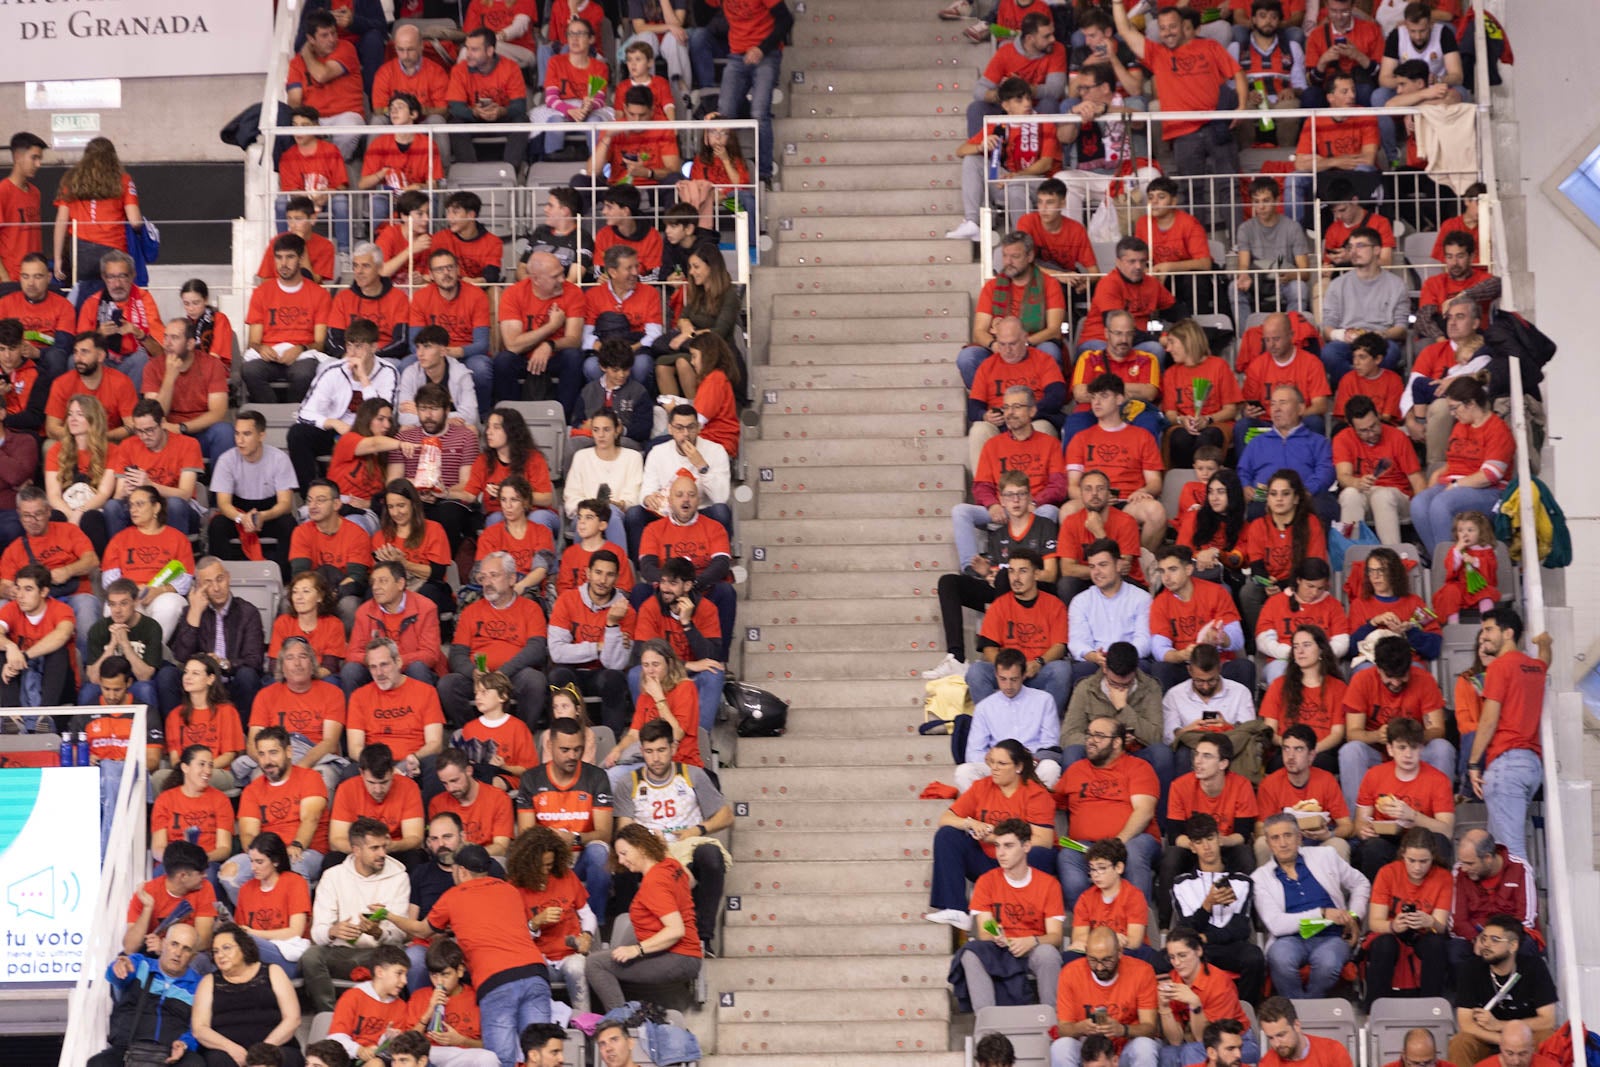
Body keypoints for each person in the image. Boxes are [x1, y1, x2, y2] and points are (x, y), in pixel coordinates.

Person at [1111, 1, 1244, 230]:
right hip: (1184, 133)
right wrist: (1116, 2)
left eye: (1172, 26)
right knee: (1191, 193)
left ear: (1183, 26)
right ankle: (1198, 251)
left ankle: (1237, 249)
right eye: (1162, 28)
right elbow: (1124, 30)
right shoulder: (1157, 53)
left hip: (1217, 125)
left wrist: (1242, 107)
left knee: (1229, 187)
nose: (1167, 32)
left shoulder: (1210, 46)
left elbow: (1238, 73)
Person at [611, 717, 733, 949]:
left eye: (661, 750)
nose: (655, 758)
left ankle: (703, 938)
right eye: (648, 751)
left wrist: (698, 829)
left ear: (673, 748)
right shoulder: (629, 783)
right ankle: (631, 934)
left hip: (687, 847)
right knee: (622, 861)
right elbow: (624, 831)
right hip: (649, 852)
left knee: (711, 855)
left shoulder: (692, 775)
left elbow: (726, 815)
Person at [926, 739, 1057, 927]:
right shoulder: (982, 786)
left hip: (1022, 864)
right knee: (947, 834)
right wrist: (970, 823)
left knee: (1038, 853)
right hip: (987, 861)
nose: (994, 768)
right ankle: (955, 908)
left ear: (1018, 766)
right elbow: (944, 819)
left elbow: (1044, 841)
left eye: (1002, 764)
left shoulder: (1036, 794)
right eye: (992, 762)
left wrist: (995, 838)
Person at [584, 823, 702, 1012]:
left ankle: (622, 1022)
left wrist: (636, 950)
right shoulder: (668, 864)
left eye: (624, 853)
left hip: (678, 956)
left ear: (641, 847)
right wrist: (664, 850)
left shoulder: (653, 882)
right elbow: (689, 881)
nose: (621, 861)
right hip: (686, 955)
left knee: (594, 963)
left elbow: (676, 930)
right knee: (610, 956)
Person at [298, 817, 411, 1013]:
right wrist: (333, 931)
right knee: (311, 956)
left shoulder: (399, 877)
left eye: (384, 846)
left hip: (378, 953)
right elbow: (318, 933)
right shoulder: (333, 876)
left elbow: (400, 935)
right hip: (340, 952)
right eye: (375, 848)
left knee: (396, 959)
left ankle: (387, 1015)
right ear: (357, 850)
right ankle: (329, 1015)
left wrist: (378, 933)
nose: (383, 853)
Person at [1252, 812, 1370, 998]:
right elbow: (1276, 924)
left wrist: (1354, 916)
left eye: (1288, 835)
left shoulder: (1325, 856)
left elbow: (1361, 883)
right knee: (1280, 959)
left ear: (1299, 837)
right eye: (1275, 838)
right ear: (1268, 843)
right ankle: (1303, 1011)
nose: (1283, 843)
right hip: (1289, 939)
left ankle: (1304, 1010)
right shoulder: (1260, 878)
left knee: (1328, 962)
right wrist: (1322, 913)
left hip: (1331, 935)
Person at [956, 817, 1067, 1013]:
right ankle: (986, 1019)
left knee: (1048, 953)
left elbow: (1055, 937)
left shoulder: (1048, 884)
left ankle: (1051, 1019)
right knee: (972, 952)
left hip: (1032, 947)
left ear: (1026, 847)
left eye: (1008, 846)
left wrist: (1031, 940)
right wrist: (997, 934)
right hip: (999, 946)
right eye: (998, 846)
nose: (1001, 853)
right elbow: (985, 928)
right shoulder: (986, 881)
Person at [515, 716, 618, 925]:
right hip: (545, 860)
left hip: (581, 856)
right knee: (524, 857)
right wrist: (553, 844)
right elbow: (526, 835)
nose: (572, 756)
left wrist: (575, 838)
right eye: (565, 750)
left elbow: (605, 833)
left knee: (600, 852)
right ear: (550, 745)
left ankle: (596, 927)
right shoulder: (531, 779)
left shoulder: (596, 777)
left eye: (577, 749)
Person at [1467, 608, 1552, 860]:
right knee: (1501, 853)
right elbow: (1546, 659)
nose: (1484, 637)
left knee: (1511, 853)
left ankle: (1526, 900)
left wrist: (1473, 763)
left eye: (1489, 630)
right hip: (1531, 767)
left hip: (1506, 765)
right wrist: (1545, 642)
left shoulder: (1499, 668)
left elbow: (1488, 720)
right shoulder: (1534, 667)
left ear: (1508, 633)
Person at [1054, 716, 1163, 906]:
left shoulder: (1138, 768)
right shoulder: (1076, 770)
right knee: (1066, 853)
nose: (1090, 740)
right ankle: (1085, 925)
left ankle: (1136, 925)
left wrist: (1116, 844)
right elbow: (1050, 801)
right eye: (1089, 734)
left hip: (1132, 841)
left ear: (1117, 742)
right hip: (1083, 845)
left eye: (1099, 735)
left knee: (1134, 851)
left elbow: (1144, 811)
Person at [1411, 379, 1516, 563]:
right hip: (1455, 484)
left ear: (1471, 403)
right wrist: (1439, 473)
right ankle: (1442, 562)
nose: (1452, 414)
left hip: (1489, 491)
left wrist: (1457, 484)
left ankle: (1449, 565)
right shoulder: (1461, 425)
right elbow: (1456, 460)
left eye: (1454, 408)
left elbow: (1490, 475)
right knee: (1419, 503)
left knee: (1441, 504)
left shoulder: (1498, 430)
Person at [290, 323, 401, 492]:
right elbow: (305, 413)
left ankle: (375, 499)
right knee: (298, 433)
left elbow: (384, 415)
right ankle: (311, 497)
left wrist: (364, 379)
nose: (353, 353)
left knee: (390, 432)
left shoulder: (388, 372)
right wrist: (332, 422)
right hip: (338, 433)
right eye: (349, 345)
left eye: (359, 346)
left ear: (374, 347)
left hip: (370, 434)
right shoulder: (333, 371)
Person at [949, 77, 1062, 242]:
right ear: (1006, 106)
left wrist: (1016, 176)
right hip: (1006, 179)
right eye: (1019, 100)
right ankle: (972, 223)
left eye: (1028, 98)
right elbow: (960, 151)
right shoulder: (997, 125)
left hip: (1038, 181)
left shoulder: (1043, 122)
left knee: (1015, 188)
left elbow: (1046, 163)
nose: (1027, 104)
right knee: (971, 160)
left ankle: (1024, 243)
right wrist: (981, 146)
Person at [1062, 375, 1168, 551]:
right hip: (1092, 501)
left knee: (1156, 511)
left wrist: (1144, 491)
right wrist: (1093, 499)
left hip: (1128, 501)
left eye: (1104, 396)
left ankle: (1137, 562)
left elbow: (1155, 482)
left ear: (1120, 399)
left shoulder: (1142, 436)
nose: (1096, 402)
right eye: (1093, 397)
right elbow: (1073, 486)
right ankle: (1086, 563)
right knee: (1067, 511)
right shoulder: (1081, 438)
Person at [1341, 635, 1452, 802]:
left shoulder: (1424, 679)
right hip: (1378, 751)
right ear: (1377, 668)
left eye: (1402, 676)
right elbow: (1352, 733)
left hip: (1414, 749)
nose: (1396, 682)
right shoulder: (1362, 680)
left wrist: (1413, 736)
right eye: (1390, 676)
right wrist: (1376, 736)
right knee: (1350, 751)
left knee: (1442, 748)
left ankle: (1442, 817)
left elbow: (1437, 729)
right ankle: (1357, 822)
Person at [222, 725, 330, 896]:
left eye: (273, 753)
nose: (267, 761)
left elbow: (310, 819)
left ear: (288, 752)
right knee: (229, 873)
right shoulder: (252, 790)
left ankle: (297, 921)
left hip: (306, 851)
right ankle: (255, 917)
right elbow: (248, 835)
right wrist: (261, 858)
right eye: (262, 754)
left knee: (292, 866)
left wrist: (296, 845)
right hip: (267, 854)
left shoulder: (310, 778)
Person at [1168, 814, 1265, 1004]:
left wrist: (1208, 937)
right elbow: (1187, 929)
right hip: (1199, 949)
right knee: (1171, 958)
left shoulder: (1241, 881)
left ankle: (1246, 1011)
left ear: (1220, 839)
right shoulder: (1182, 883)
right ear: (1192, 847)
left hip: (1230, 946)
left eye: (1210, 839)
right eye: (1199, 841)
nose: (1206, 846)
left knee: (1254, 957)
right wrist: (1207, 905)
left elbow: (1241, 929)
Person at [1159, 736, 1258, 919]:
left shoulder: (1241, 785)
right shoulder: (1180, 786)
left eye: (1206, 756)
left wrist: (1220, 841)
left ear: (1223, 763)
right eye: (1196, 755)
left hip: (1225, 847)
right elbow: (1174, 835)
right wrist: (1200, 845)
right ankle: (1164, 926)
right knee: (1171, 858)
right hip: (1192, 848)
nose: (1198, 761)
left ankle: (1253, 922)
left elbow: (1243, 834)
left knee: (1245, 855)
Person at [1350, 715, 1454, 882]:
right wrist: (1364, 829)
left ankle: (1435, 896)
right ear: (1390, 749)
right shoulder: (1374, 775)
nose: (1408, 754)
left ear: (1421, 749)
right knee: (1371, 847)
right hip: (1387, 840)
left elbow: (1447, 831)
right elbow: (1360, 822)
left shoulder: (1438, 780)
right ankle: (1376, 900)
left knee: (1440, 842)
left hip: (1423, 840)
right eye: (1402, 747)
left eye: (1413, 748)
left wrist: (1412, 815)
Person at [504, 826, 595, 1014]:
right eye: (542, 866)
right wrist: (535, 923)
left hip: (570, 953)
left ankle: (585, 1023)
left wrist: (587, 935)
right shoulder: (513, 888)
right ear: (527, 864)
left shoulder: (566, 876)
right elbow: (513, 938)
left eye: (550, 865)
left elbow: (587, 913)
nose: (547, 871)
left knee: (576, 968)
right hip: (537, 957)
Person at [963, 549, 1070, 709]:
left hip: (1037, 670)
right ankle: (995, 724)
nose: (1016, 578)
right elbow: (989, 647)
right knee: (976, 672)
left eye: (1023, 571)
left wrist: (1038, 663)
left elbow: (1060, 646)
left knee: (1062, 670)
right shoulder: (999, 605)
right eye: (1012, 571)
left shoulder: (1054, 605)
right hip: (1007, 671)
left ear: (1036, 574)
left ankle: (1044, 723)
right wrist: (1006, 669)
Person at [630, 556, 726, 732]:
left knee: (715, 673)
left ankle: (698, 741)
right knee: (637, 674)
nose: (665, 588)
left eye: (672, 583)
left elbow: (712, 656)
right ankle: (650, 736)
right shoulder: (650, 607)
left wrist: (687, 624)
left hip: (692, 678)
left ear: (687, 586)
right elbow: (640, 655)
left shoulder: (707, 609)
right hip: (662, 676)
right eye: (663, 582)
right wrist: (688, 665)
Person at [166, 557, 267, 722]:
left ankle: (242, 737)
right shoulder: (191, 612)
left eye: (220, 579)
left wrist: (223, 664)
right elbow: (182, 657)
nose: (216, 587)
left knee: (247, 676)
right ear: (199, 587)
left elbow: (254, 660)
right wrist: (195, 613)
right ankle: (175, 734)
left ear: (228, 577)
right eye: (208, 583)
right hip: (200, 682)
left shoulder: (248, 612)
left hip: (233, 681)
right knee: (167, 675)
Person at [1449, 917, 1558, 1067]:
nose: (1486, 944)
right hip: (1487, 1036)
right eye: (1484, 938)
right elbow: (1466, 1024)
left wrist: (1500, 1025)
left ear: (1513, 945)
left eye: (1495, 940)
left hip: (1525, 1037)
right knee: (1460, 1042)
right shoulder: (1470, 968)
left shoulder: (1534, 966)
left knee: (1547, 1037)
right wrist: (1507, 1042)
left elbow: (1547, 1020)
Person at [1361, 826, 1451, 1009]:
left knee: (1436, 944)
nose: (1417, 867)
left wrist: (1430, 921)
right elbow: (1375, 922)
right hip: (1392, 932)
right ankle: (1375, 1009)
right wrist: (1394, 926)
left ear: (1433, 857)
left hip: (1424, 934)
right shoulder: (1388, 872)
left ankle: (1430, 1007)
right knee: (1384, 944)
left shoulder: (1443, 877)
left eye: (1424, 861)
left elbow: (1440, 926)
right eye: (1411, 860)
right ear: (1403, 855)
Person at [190, 924, 305, 1067]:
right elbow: (200, 1029)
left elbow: (293, 1019)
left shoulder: (273, 972)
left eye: (226, 948)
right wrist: (231, 1048)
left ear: (243, 947)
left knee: (289, 1059)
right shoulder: (208, 982)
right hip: (226, 1052)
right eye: (215, 951)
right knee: (217, 1061)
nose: (220, 955)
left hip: (273, 1046)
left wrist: (263, 1052)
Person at [960, 232, 1067, 383]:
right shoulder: (992, 286)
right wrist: (996, 345)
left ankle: (1040, 406)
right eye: (1005, 256)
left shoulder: (1049, 284)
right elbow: (979, 332)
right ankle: (987, 400)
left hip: (1033, 345)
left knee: (1050, 351)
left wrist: (1023, 344)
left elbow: (1054, 330)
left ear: (1029, 256)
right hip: (1000, 346)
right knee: (967, 358)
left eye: (1015, 257)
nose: (1008, 262)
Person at [243, 636, 346, 791]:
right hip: (275, 755)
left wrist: (300, 767)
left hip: (316, 757)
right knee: (259, 777)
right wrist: (272, 763)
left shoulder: (333, 693)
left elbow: (330, 743)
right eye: (290, 658)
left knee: (323, 778)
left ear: (312, 664)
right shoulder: (265, 695)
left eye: (303, 657)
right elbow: (252, 744)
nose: (297, 664)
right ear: (282, 667)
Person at [92, 926, 204, 1067]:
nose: (178, 953)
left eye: (186, 949)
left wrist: (185, 1044)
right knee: (98, 1063)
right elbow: (114, 976)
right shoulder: (140, 964)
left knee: (195, 1064)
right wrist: (118, 967)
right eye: (174, 944)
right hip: (129, 1047)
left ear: (193, 956)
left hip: (172, 1053)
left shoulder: (199, 985)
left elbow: (198, 1028)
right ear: (163, 944)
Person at [1049, 924, 1159, 1067]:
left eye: (1107, 960)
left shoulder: (1142, 971)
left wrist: (1123, 1029)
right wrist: (1080, 1028)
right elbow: (1063, 1029)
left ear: (1119, 952)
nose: (1099, 967)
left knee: (1145, 1046)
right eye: (1093, 960)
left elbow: (1150, 1028)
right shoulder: (1070, 973)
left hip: (1126, 1046)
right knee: (1061, 1047)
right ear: (1086, 952)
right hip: (1088, 1050)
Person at [1150, 546, 1254, 694]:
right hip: (1185, 666)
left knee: (1244, 667)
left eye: (1172, 569)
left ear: (1188, 570)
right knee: (1160, 668)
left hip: (1217, 664)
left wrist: (1221, 638)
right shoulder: (1159, 603)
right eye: (1162, 571)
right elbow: (1159, 649)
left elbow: (1238, 639)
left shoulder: (1216, 592)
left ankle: (1244, 717)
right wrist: (1182, 655)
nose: (1166, 577)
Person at [242, 235, 333, 405]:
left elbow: (320, 343)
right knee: (250, 370)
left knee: (304, 373)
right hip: (270, 357)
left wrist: (301, 348)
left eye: (290, 257)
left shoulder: (319, 294)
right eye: (279, 257)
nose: (283, 264)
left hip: (303, 356)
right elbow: (253, 342)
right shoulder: (261, 293)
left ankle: (294, 417)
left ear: (301, 258)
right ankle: (270, 416)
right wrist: (261, 348)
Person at [957, 648, 1064, 791]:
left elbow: (1050, 744)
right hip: (997, 766)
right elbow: (973, 752)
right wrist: (998, 763)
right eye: (1003, 679)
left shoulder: (1044, 700)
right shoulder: (985, 707)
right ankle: (990, 811)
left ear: (1024, 675)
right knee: (964, 772)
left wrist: (1026, 762)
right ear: (996, 675)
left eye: (1014, 679)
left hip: (1031, 764)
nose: (1008, 686)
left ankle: (1030, 810)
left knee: (1050, 768)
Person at [1239, 471, 1330, 637]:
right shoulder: (1258, 525)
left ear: (1296, 498)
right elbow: (1256, 565)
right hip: (1270, 583)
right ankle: (1261, 638)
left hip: (1301, 583)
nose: (1279, 499)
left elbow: (1312, 567)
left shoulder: (1311, 523)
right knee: (1248, 592)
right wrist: (1267, 583)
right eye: (1273, 494)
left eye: (1285, 494)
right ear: (1267, 498)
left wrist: (1283, 586)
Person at [494, 251, 586, 412]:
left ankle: (565, 418)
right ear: (535, 279)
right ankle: (510, 417)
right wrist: (551, 326)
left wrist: (549, 345)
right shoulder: (513, 294)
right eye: (555, 277)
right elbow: (513, 345)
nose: (562, 280)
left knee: (574, 356)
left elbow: (574, 339)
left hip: (555, 356)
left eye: (562, 273)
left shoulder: (573, 292)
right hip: (523, 357)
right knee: (503, 361)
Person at [51, 136, 145, 293]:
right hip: (114, 248)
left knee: (83, 297)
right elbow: (135, 221)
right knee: (113, 297)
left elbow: (61, 221)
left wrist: (58, 258)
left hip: (80, 251)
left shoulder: (70, 180)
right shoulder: (124, 180)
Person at [407, 250, 493, 419]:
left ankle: (481, 419)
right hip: (433, 353)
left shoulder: (477, 296)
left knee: (481, 368)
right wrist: (436, 353)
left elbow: (483, 344)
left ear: (458, 270)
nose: (446, 273)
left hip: (467, 353)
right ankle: (413, 421)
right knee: (406, 365)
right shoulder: (421, 298)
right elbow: (413, 344)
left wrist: (455, 351)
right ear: (431, 275)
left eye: (449, 267)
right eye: (439, 270)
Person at [713, 0, 790, 187]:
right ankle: (725, 170)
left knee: (759, 113)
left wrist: (762, 48)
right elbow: (702, 17)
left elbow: (786, 19)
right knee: (724, 113)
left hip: (767, 53)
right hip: (737, 54)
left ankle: (764, 174)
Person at [1333, 394, 1426, 546]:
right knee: (1349, 494)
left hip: (1396, 496)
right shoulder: (1343, 439)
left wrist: (1421, 512)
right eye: (1363, 431)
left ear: (1377, 416)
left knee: (1382, 495)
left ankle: (1392, 554)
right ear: (1351, 426)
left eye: (1374, 426)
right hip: (1363, 493)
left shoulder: (1397, 437)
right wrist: (1357, 482)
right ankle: (1349, 555)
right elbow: (1343, 476)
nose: (1371, 433)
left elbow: (1417, 479)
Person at [347, 636, 447, 776]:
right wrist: (378, 766)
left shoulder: (426, 691)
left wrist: (412, 760)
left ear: (398, 662)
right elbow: (354, 748)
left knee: (435, 766)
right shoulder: (359, 696)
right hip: (375, 763)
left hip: (415, 760)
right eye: (373, 667)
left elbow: (435, 743)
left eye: (384, 665)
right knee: (349, 772)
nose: (379, 673)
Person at [1320, 228, 1410, 382]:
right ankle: (1354, 387)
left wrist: (1383, 335)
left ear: (1376, 250)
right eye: (1350, 247)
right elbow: (1327, 327)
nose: (1354, 251)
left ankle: (1360, 388)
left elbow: (1401, 328)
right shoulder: (1337, 284)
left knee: (1391, 352)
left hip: (1380, 340)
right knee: (1330, 353)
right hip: (1348, 342)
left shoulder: (1397, 285)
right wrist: (1340, 335)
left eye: (1360, 246)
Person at [1256, 724, 1354, 865]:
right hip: (1285, 841)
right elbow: (1260, 827)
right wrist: (1282, 837)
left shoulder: (1326, 780)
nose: (1290, 756)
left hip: (1320, 840)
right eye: (1286, 749)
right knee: (1262, 843)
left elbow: (1347, 826)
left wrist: (1329, 834)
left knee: (1339, 844)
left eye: (1298, 749)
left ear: (1311, 755)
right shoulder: (1269, 783)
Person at [344, 561, 447, 691]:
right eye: (373, 582)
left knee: (418, 668)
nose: (375, 587)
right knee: (351, 670)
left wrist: (393, 662)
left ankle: (423, 710)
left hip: (412, 669)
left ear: (400, 584)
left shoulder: (426, 608)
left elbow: (430, 655)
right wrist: (379, 662)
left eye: (382, 581)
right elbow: (352, 654)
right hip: (378, 670)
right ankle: (355, 711)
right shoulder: (364, 611)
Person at [1158, 936, 1257, 1067]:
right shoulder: (1174, 978)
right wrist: (1164, 1007)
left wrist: (1195, 1004)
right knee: (1167, 1053)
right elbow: (1175, 1040)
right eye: (1172, 957)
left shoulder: (1219, 983)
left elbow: (1205, 1039)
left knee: (1192, 1051)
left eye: (1182, 955)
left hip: (1238, 1043)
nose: (1176, 963)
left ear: (1198, 951)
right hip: (1194, 1041)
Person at [1064, 313, 1164, 443]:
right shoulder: (1089, 358)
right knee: (1075, 424)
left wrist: (1100, 390)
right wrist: (1124, 392)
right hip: (1092, 412)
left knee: (1149, 422)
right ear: (1106, 333)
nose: (1124, 339)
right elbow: (1080, 394)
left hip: (1134, 412)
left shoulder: (1148, 359)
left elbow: (1149, 393)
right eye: (1118, 333)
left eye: (1129, 334)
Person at [1450, 829, 1541, 968]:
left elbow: (1526, 919)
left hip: (1509, 937)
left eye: (1470, 863)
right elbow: (1458, 920)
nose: (1464, 869)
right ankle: (1469, 990)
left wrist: (1497, 941)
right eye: (1462, 862)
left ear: (1487, 858)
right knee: (1455, 949)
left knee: (1526, 946)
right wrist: (1478, 939)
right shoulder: (1459, 872)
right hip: (1475, 937)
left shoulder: (1519, 868)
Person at [1069, 540, 1155, 688]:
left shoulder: (1141, 598)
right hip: (1096, 661)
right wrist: (1093, 656)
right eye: (1092, 567)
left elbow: (1144, 640)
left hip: (1130, 658)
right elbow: (1077, 641)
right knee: (1080, 671)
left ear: (1119, 565)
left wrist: (1119, 659)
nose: (1096, 572)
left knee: (1144, 668)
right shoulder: (1080, 601)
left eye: (1103, 565)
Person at [529, 18, 614, 163]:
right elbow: (550, 98)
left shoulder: (600, 67)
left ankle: (598, 169)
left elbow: (599, 99)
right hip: (561, 109)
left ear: (591, 39)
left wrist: (589, 106)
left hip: (588, 111)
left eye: (580, 34)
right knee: (555, 122)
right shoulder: (555, 62)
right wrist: (570, 110)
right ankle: (551, 166)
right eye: (571, 34)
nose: (574, 38)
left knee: (595, 122)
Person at [328, 745, 427, 868]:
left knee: (415, 858)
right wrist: (367, 851)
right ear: (361, 773)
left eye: (384, 782)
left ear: (392, 772)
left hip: (393, 849)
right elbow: (336, 840)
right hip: (359, 851)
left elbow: (415, 838)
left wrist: (390, 846)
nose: (378, 790)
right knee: (332, 860)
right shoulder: (346, 789)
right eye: (371, 783)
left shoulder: (409, 787)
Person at [1255, 558, 1348, 688]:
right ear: (1298, 580)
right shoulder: (1275, 602)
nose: (1314, 593)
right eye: (1310, 586)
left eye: (1320, 588)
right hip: (1282, 660)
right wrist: (1291, 653)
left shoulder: (1333, 605)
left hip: (1321, 661)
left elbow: (1342, 642)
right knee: (1279, 676)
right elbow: (1264, 640)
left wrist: (1317, 654)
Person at [231, 831, 314, 977]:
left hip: (289, 957)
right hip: (254, 957)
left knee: (248, 944)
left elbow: (295, 932)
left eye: (259, 862)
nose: (253, 867)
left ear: (275, 861)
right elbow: (240, 930)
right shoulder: (246, 889)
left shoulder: (295, 882)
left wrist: (254, 934)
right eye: (251, 861)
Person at [406, 938, 499, 1065]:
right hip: (431, 1055)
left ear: (460, 971)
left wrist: (461, 1041)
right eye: (434, 975)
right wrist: (429, 1012)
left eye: (445, 975)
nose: (439, 982)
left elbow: (491, 1045)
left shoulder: (477, 997)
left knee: (489, 1058)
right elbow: (406, 1046)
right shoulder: (420, 996)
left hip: (464, 1056)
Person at [0, 562, 77, 716]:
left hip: (59, 687)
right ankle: (12, 716)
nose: (20, 595)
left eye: (28, 589)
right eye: (18, 588)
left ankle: (45, 715)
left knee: (58, 652)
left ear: (43, 592)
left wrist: (23, 656)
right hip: (21, 679)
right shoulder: (12, 608)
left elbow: (61, 635)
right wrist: (10, 647)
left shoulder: (61, 610)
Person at [150, 746, 235, 874]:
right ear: (185, 768)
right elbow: (157, 848)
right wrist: (180, 860)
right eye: (201, 764)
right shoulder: (165, 799)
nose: (207, 771)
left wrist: (201, 858)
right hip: (173, 862)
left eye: (210, 765)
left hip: (206, 862)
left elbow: (224, 848)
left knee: (209, 876)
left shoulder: (221, 800)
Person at [323, 943, 412, 1060]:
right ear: (379, 972)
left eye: (406, 975)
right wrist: (359, 1050)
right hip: (347, 1058)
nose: (405, 981)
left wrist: (388, 1040)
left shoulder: (401, 1006)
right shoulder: (353, 997)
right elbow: (336, 1037)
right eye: (399, 973)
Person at [430, 747, 517, 854]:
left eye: (455, 780)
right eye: (445, 783)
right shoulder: (437, 803)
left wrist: (469, 857)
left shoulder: (499, 798)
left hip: (487, 860)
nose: (450, 788)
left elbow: (501, 847)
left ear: (469, 771)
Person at [0, 132, 46, 288]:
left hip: (35, 279)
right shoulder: (3, 191)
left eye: (40, 159)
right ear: (17, 157)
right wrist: (5, 279)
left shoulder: (35, 192)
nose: (38, 164)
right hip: (12, 278)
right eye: (34, 158)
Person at [1257, 997, 1354, 1067]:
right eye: (1270, 1038)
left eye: (1281, 1035)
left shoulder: (1333, 1051)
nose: (1277, 1044)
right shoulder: (1267, 1063)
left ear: (1297, 1026)